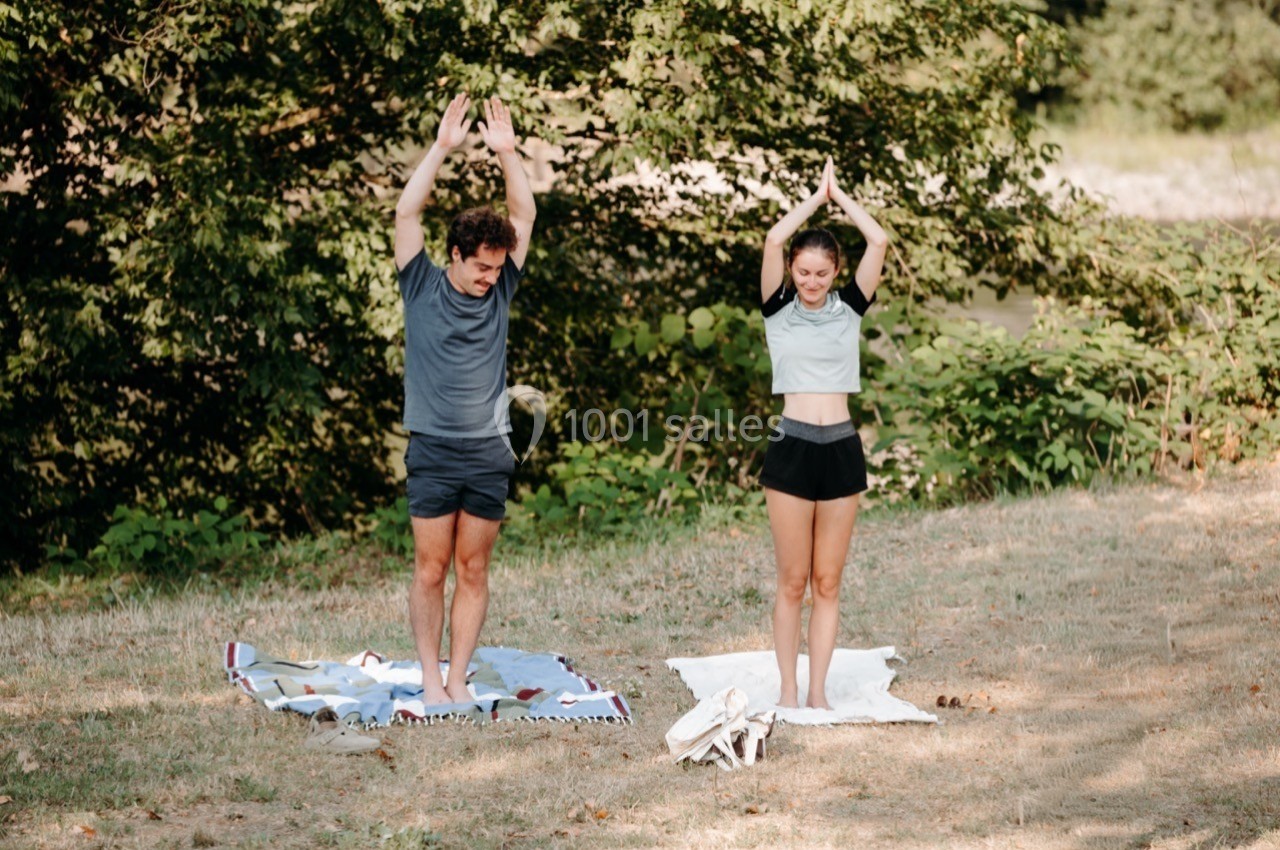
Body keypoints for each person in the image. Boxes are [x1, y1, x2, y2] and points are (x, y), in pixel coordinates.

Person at [393, 93, 536, 705]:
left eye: (498, 268)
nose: (490, 277)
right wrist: (442, 148)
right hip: (432, 447)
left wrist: (507, 155)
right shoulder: (420, 283)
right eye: (481, 267)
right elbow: (406, 212)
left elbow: (524, 215)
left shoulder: (502, 288)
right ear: (455, 255)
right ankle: (430, 680)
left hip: (488, 451)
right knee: (431, 569)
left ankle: (458, 679)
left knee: (473, 569)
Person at [758, 157, 888, 710]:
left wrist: (842, 198)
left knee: (827, 583)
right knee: (793, 582)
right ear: (791, 269)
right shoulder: (777, 311)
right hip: (791, 450)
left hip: (840, 448)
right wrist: (814, 200)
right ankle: (788, 690)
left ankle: (817, 694)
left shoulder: (850, 310)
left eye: (821, 273)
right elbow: (770, 237)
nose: (811, 282)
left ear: (836, 272)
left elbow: (878, 240)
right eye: (803, 272)